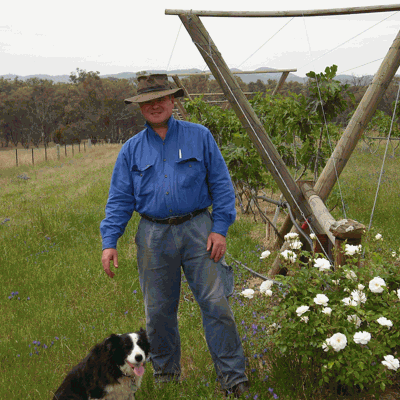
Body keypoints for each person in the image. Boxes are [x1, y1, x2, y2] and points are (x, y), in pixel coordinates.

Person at [100, 74, 249, 398]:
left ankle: (233, 379)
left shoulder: (200, 137)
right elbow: (120, 199)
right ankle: (167, 377)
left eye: (161, 99)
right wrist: (109, 241)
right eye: (147, 101)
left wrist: (219, 229)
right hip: (152, 235)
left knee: (216, 304)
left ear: (172, 101)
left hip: (199, 230)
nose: (155, 105)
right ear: (140, 107)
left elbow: (222, 186)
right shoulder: (131, 150)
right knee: (158, 312)